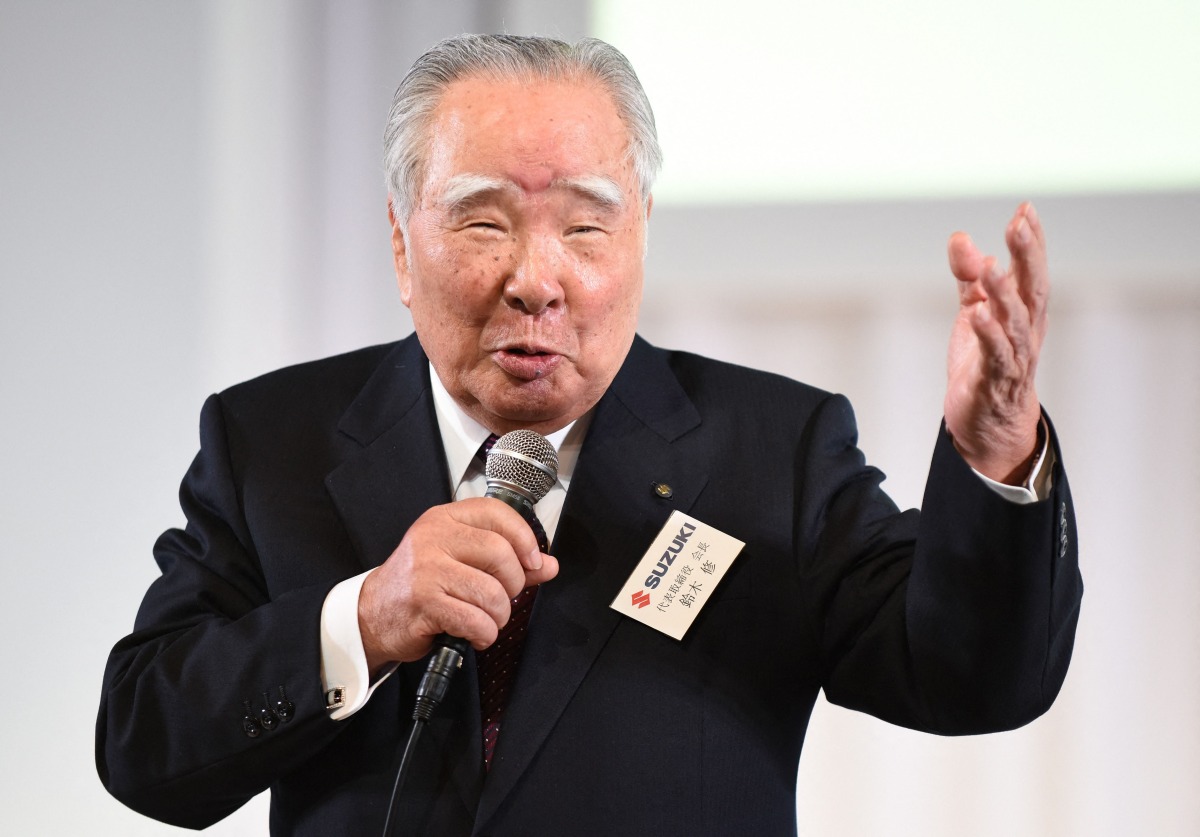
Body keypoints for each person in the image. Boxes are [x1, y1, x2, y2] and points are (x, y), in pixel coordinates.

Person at [96, 34, 1081, 836]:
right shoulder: (274, 439)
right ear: (401, 242)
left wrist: (997, 451)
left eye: (584, 227)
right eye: (483, 223)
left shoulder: (770, 448)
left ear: (640, 232)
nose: (538, 278)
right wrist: (362, 619)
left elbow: (971, 678)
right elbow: (146, 745)